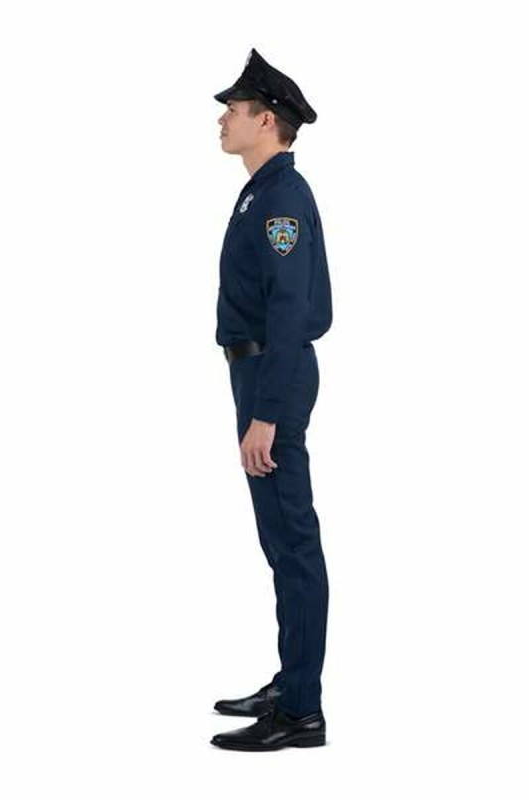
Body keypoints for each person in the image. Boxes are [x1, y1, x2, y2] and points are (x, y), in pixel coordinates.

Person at [209, 48, 333, 752]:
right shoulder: (261, 191)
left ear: (267, 121)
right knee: (279, 541)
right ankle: (292, 683)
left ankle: (302, 710)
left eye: (234, 109)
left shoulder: (281, 197)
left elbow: (288, 312)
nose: (222, 119)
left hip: (271, 377)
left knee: (293, 541)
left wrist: (267, 413)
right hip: (257, 372)